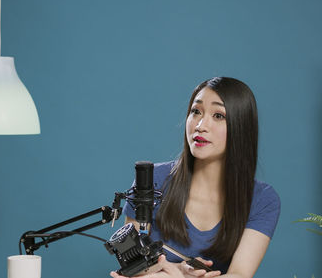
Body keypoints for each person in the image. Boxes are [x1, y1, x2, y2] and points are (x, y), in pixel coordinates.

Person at [111, 77, 280, 278]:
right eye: (196, 111)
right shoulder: (152, 178)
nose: (200, 125)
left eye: (218, 115)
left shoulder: (262, 199)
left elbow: (240, 275)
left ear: (240, 127)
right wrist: (174, 272)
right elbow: (133, 265)